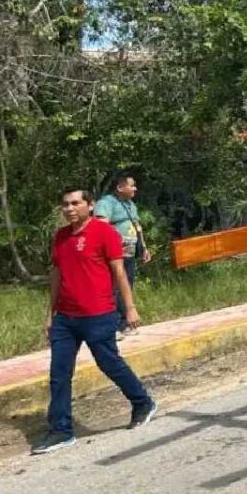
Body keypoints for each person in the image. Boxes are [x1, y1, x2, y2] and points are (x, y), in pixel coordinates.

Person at [33, 187, 157, 455]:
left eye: (75, 203)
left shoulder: (104, 233)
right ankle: (61, 431)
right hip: (65, 317)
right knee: (59, 374)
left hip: (98, 313)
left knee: (109, 363)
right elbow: (56, 276)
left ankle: (142, 402)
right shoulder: (61, 237)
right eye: (65, 204)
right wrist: (50, 314)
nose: (69, 209)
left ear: (90, 206)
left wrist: (130, 309)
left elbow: (119, 273)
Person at [93, 171, 152, 339]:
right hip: (113, 255)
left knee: (127, 287)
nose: (135, 188)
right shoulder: (106, 203)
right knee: (112, 289)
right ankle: (112, 326)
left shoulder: (130, 205)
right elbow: (101, 226)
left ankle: (125, 323)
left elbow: (137, 226)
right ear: (120, 187)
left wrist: (144, 247)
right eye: (131, 185)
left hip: (130, 253)